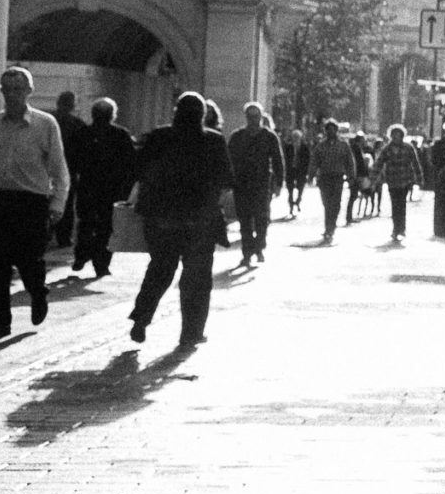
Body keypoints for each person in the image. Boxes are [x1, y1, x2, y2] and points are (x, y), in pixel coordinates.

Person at [0, 66, 70, 339]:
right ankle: (0, 322)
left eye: (18, 90)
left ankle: (38, 293)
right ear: (1, 92)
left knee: (29, 261)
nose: (12, 95)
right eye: (7, 89)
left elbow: (58, 169)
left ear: (29, 92)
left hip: (31, 202)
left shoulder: (45, 124)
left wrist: (57, 205)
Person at [127, 91, 232, 347]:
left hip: (161, 219)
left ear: (176, 112)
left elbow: (137, 169)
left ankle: (142, 317)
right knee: (197, 278)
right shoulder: (214, 141)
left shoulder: (158, 137)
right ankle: (191, 332)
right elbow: (227, 179)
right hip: (199, 221)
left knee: (160, 269)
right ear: (202, 115)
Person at [72, 96, 139, 279]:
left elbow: (72, 161)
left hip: (87, 186)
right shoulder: (121, 135)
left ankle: (82, 254)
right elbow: (132, 164)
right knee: (107, 227)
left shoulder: (82, 133)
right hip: (112, 189)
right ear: (112, 115)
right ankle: (101, 263)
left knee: (85, 222)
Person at [228, 102, 287, 265]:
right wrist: (227, 181)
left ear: (261, 117)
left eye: (256, 116)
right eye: (250, 116)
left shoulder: (269, 137)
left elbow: (277, 161)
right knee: (245, 221)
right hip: (241, 185)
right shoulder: (237, 136)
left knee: (262, 219)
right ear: (246, 117)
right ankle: (247, 253)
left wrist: (278, 183)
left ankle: (259, 247)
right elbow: (228, 160)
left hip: (261, 185)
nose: (253, 120)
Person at [51, 90, 89, 248]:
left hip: (48, 168)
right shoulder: (78, 124)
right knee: (67, 204)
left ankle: (47, 233)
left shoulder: (50, 120)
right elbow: (84, 150)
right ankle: (63, 237)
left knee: (47, 200)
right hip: (69, 168)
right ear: (73, 105)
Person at [375, 124, 424, 242]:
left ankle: (401, 229)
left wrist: (419, 178)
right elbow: (379, 163)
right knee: (394, 205)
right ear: (391, 136)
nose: (396, 137)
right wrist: (372, 177)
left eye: (399, 135)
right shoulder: (387, 149)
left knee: (401, 204)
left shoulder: (408, 148)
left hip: (405, 181)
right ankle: (396, 229)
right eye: (394, 135)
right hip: (392, 181)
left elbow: (415, 163)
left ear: (402, 135)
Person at [310, 119, 356, 241]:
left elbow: (349, 162)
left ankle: (331, 227)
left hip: (337, 177)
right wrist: (311, 175)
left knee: (335, 204)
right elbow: (314, 162)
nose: (331, 131)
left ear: (336, 130)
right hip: (324, 178)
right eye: (328, 129)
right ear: (325, 131)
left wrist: (351, 176)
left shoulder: (343, 145)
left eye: (333, 129)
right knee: (327, 204)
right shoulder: (320, 146)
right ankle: (328, 227)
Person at [283, 121, 309, 215]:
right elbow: (285, 158)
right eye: (294, 137)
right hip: (290, 171)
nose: (296, 139)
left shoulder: (304, 147)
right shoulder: (288, 147)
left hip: (300, 171)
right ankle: (290, 206)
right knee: (290, 190)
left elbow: (307, 160)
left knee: (300, 188)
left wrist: (307, 172)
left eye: (297, 137)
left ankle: (298, 201)